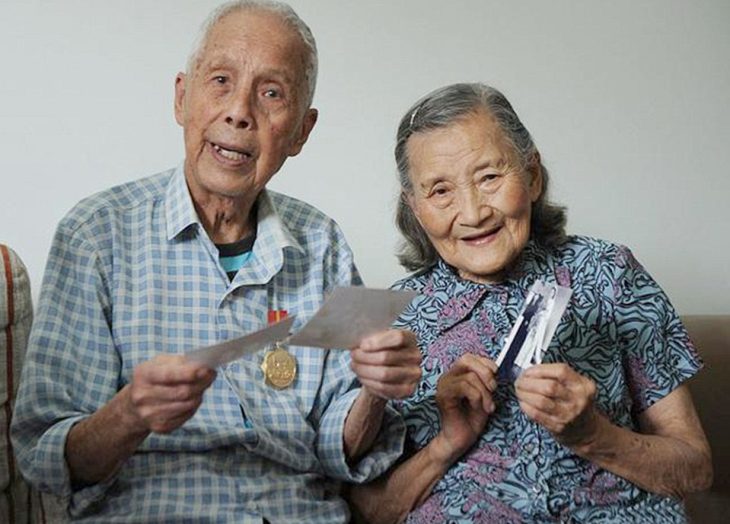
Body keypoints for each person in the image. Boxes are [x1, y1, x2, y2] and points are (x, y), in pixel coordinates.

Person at [11, 2, 422, 522]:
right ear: (182, 97)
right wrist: (129, 414)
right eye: (221, 80)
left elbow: (338, 443)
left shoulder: (323, 244)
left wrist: (376, 394)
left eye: (272, 93)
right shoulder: (95, 234)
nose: (239, 111)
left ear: (301, 131)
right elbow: (43, 457)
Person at [348, 83, 712, 523]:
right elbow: (369, 512)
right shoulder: (390, 320)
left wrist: (592, 434)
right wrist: (445, 445)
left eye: (489, 177)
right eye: (440, 191)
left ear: (532, 174)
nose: (474, 212)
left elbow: (695, 468)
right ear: (415, 208)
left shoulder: (611, 273)